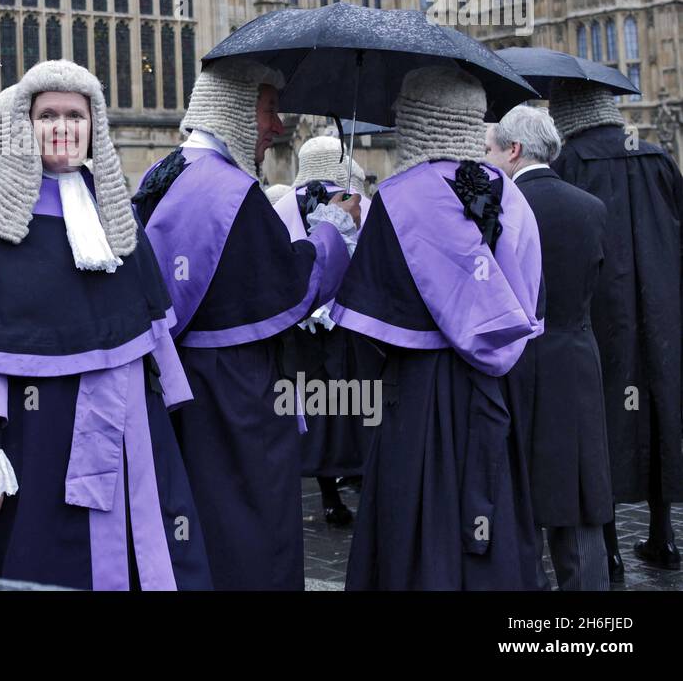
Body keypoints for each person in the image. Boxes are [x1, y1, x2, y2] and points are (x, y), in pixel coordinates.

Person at [0, 60, 212, 590]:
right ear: (28, 123)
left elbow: (148, 321)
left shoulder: (111, 206)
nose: (62, 126)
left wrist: (171, 400)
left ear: (94, 124)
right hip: (31, 432)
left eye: (75, 114)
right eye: (48, 114)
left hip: (123, 425)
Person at [133, 62, 356, 590]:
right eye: (269, 109)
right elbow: (293, 287)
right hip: (238, 396)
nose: (277, 127)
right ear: (236, 108)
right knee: (251, 533)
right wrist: (331, 230)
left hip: (174, 386)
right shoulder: (232, 192)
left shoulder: (158, 174)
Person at [333, 67, 545, 590]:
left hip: (415, 398)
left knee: (414, 529)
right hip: (495, 393)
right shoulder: (511, 195)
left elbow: (363, 326)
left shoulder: (397, 197)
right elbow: (531, 295)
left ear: (417, 119)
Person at [549, 79, 683, 574]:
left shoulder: (570, 165)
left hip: (597, 313)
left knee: (600, 418)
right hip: (662, 310)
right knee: (660, 407)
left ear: (567, 116)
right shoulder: (656, 157)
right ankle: (663, 535)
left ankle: (609, 547)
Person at [485, 105, 613, 590]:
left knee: (516, 504)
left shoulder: (496, 208)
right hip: (575, 363)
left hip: (511, 364)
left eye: (491, 150)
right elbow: (604, 292)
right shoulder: (591, 207)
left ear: (513, 150)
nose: (489, 159)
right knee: (578, 507)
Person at [273, 134, 380, 527]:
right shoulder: (364, 204)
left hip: (302, 331)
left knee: (315, 406)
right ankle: (365, 485)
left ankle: (330, 495)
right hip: (354, 325)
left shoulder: (283, 206)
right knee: (362, 407)